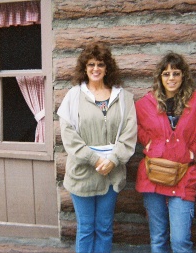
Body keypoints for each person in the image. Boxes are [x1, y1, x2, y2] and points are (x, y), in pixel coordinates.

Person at [135, 52, 196, 253]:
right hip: (153, 177)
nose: (171, 78)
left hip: (183, 178)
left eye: (176, 73)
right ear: (160, 77)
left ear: (183, 76)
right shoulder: (147, 103)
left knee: (180, 241)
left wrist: (194, 150)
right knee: (158, 239)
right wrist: (147, 140)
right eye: (166, 74)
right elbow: (129, 124)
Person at [57, 42, 137, 253]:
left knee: (103, 228)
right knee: (86, 228)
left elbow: (129, 134)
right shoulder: (73, 97)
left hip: (111, 173)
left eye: (100, 64)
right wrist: (94, 159)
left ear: (107, 68)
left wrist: (113, 160)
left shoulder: (123, 99)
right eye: (91, 64)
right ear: (84, 67)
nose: (95, 68)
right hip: (83, 173)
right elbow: (69, 135)